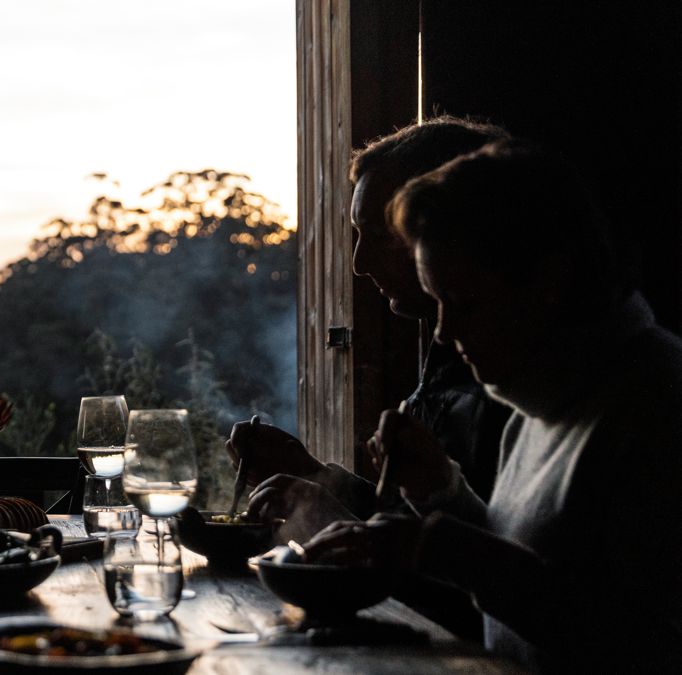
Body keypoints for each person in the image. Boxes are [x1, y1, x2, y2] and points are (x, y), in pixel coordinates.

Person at [304, 141, 682, 671]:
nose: (443, 331)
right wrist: (444, 494)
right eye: (437, 303)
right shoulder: (542, 395)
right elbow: (532, 566)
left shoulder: (655, 403)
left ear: (549, 282)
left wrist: (434, 548)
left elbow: (641, 641)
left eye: (464, 304)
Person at [235, 117, 515, 536]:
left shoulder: (519, 376)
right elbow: (431, 516)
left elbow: (489, 561)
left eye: (382, 236)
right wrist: (313, 475)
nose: (359, 264)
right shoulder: (447, 349)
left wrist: (335, 519)